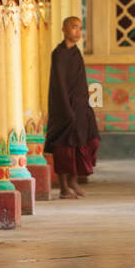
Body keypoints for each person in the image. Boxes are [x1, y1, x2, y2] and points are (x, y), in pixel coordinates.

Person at [45, 16, 99, 200]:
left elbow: (81, 82)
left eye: (80, 28)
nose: (78, 32)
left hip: (80, 106)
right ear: (64, 30)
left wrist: (86, 107)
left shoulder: (76, 53)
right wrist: (66, 109)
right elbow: (59, 84)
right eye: (73, 27)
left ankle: (75, 179)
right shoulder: (59, 53)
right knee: (64, 148)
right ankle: (64, 186)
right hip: (63, 107)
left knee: (85, 141)